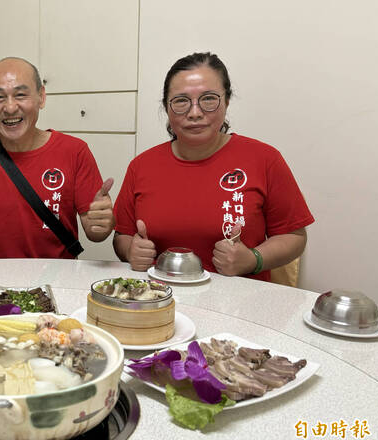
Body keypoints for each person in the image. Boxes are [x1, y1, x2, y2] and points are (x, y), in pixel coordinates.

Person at [113, 52, 314, 281]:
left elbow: (294, 236)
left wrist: (254, 259)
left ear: (226, 101)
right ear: (166, 108)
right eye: (181, 101)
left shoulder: (264, 159)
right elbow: (122, 235)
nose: (195, 113)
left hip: (239, 304)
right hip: (159, 301)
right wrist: (130, 250)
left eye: (209, 99)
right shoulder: (142, 166)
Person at [0, 57, 114, 258]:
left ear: (41, 97)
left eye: (21, 95)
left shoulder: (74, 151)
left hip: (58, 283)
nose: (10, 108)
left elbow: (96, 233)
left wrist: (103, 223)